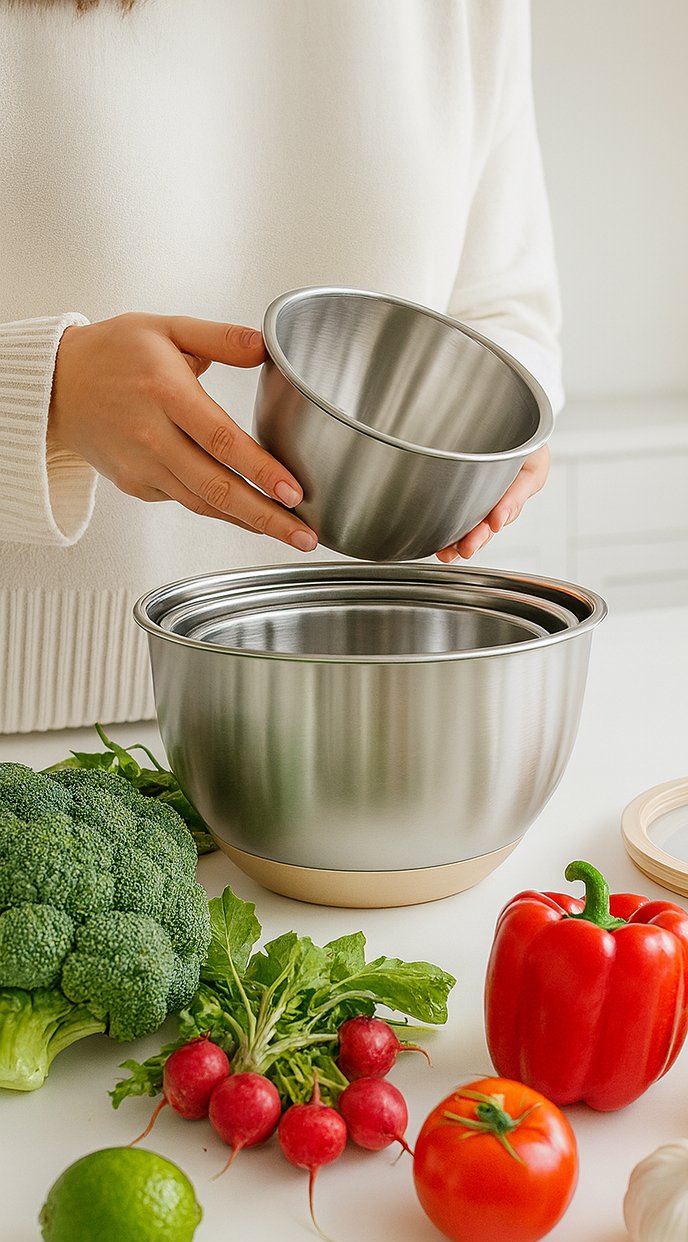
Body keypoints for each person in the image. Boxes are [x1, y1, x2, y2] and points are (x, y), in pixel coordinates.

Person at [0, 0, 561, 735]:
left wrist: (508, 424)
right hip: (29, 709)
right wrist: (48, 396)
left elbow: (505, 300)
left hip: (352, 714)